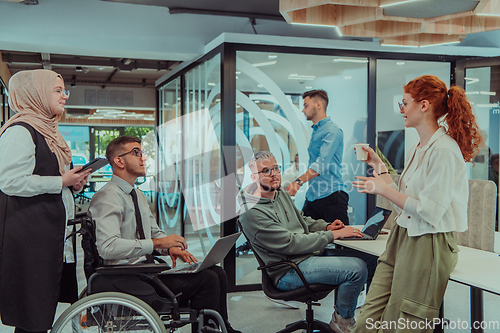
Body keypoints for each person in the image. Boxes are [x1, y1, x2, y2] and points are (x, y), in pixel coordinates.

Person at [352, 75, 483, 332]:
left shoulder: (444, 150)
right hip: (403, 236)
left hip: (429, 243)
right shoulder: (418, 147)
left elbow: (429, 212)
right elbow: (407, 207)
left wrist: (383, 190)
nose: (401, 109)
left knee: (402, 323)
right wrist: (380, 171)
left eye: (404, 103)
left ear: (423, 105)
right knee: (369, 318)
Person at [88, 135, 241, 333]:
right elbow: (108, 248)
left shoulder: (137, 194)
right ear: (119, 161)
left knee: (218, 273)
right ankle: (208, 329)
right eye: (136, 153)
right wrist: (158, 244)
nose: (143, 157)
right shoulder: (107, 196)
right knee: (207, 280)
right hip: (127, 276)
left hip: (146, 270)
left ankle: (222, 328)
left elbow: (153, 231)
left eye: (142, 153)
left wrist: (170, 247)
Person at [239, 151, 378, 333]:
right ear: (253, 177)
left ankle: (363, 315)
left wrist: (327, 227)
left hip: (307, 256)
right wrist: (333, 236)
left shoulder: (279, 193)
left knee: (370, 259)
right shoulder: (251, 212)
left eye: (275, 168)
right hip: (288, 269)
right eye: (266, 171)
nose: (274, 174)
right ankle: (343, 322)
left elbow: (302, 219)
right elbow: (291, 243)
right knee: (356, 268)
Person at [0, 70, 91, 333]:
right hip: (30, 240)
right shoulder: (20, 131)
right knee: (32, 316)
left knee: (39, 314)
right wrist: (61, 182)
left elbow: (48, 179)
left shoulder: (47, 130)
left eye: (65, 91)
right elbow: (10, 181)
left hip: (48, 237)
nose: (64, 96)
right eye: (57, 90)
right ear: (36, 93)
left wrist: (71, 184)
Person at [286, 89, 350, 224]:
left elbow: (320, 165)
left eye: (306, 105)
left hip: (332, 196)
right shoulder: (317, 130)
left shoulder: (332, 131)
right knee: (305, 235)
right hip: (313, 196)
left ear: (318, 105)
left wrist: (297, 183)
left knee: (341, 241)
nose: (303, 110)